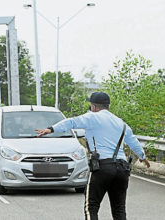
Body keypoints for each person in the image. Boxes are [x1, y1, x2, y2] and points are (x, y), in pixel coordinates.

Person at [35, 92, 150, 220]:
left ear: (94, 107)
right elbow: (133, 141)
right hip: (122, 169)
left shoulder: (92, 117)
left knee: (91, 207)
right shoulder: (121, 123)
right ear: (108, 107)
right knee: (119, 210)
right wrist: (142, 156)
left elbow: (72, 122)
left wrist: (51, 129)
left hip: (103, 167)